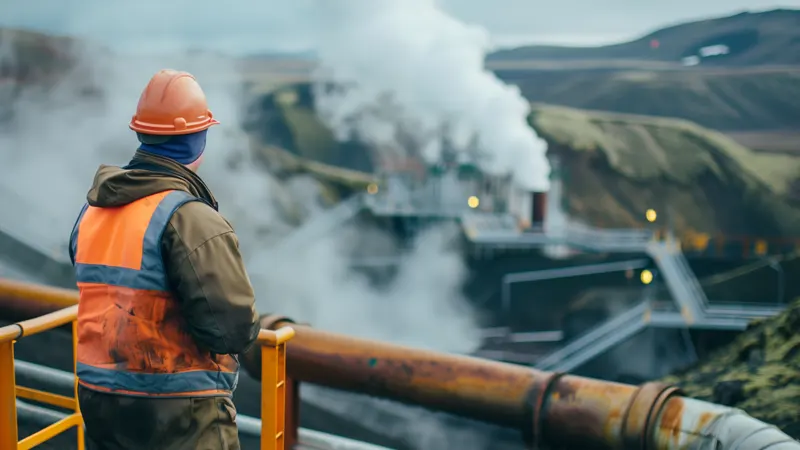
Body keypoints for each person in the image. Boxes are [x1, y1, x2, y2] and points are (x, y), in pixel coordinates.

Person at [68, 69, 260, 450]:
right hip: (179, 416)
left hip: (100, 403)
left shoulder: (93, 211)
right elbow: (232, 331)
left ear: (142, 134)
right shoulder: (191, 218)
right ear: (199, 138)